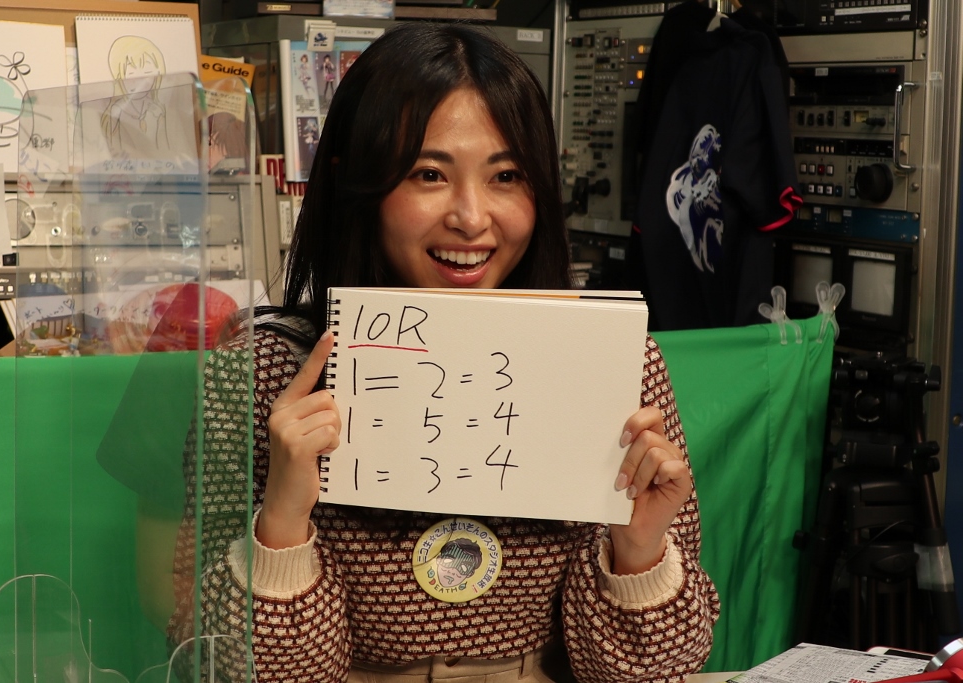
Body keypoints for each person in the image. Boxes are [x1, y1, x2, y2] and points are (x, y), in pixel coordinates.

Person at [167, 22, 719, 683]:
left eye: (506, 175)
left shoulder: (614, 363)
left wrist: (639, 548)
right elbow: (221, 660)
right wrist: (283, 520)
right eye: (429, 174)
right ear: (355, 182)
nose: (471, 217)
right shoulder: (261, 373)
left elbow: (652, 673)